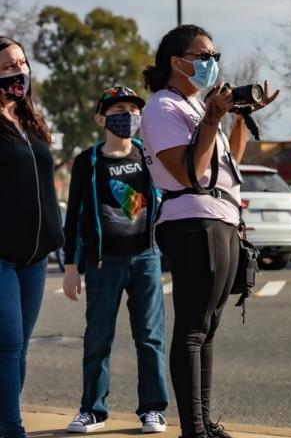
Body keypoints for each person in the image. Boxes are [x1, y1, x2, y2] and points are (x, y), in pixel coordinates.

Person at [140, 25, 277, 438]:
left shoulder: (196, 108)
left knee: (209, 328)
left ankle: (203, 422)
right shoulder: (164, 107)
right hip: (192, 220)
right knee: (193, 328)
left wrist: (236, 117)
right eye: (202, 56)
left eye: (214, 55)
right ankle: (193, 429)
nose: (211, 63)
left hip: (220, 218)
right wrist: (213, 116)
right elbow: (189, 172)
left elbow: (227, 162)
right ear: (175, 62)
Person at [61, 86, 168, 433]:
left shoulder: (148, 155)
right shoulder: (88, 162)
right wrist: (71, 265)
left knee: (150, 338)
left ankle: (152, 408)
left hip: (146, 258)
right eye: (118, 109)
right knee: (97, 339)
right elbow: (74, 216)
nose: (128, 115)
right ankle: (93, 410)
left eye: (133, 109)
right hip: (103, 263)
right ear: (101, 118)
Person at [0, 36, 65, 438]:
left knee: (20, 348)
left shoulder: (29, 121)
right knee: (6, 347)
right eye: (7, 66)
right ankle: (12, 429)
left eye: (21, 63)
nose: (18, 71)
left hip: (35, 258)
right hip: (1, 257)